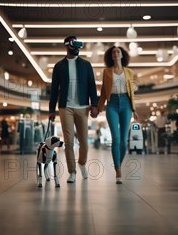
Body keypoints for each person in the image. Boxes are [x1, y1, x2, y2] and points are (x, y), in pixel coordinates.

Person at [49, 36, 99, 184]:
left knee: (84, 141)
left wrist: (94, 105)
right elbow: (54, 90)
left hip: (83, 107)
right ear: (66, 46)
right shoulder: (59, 66)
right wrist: (51, 109)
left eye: (78, 45)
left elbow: (92, 85)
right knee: (69, 141)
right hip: (66, 107)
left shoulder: (86, 65)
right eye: (74, 45)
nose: (77, 48)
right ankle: (72, 172)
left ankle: (82, 163)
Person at [97, 46, 138, 184]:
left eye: (118, 52)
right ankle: (118, 170)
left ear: (122, 55)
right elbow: (103, 91)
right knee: (115, 138)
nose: (115, 53)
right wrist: (99, 108)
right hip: (112, 104)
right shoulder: (107, 72)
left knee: (124, 141)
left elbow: (132, 91)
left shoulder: (129, 72)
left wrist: (134, 109)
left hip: (126, 103)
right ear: (111, 56)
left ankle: (117, 163)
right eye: (113, 52)